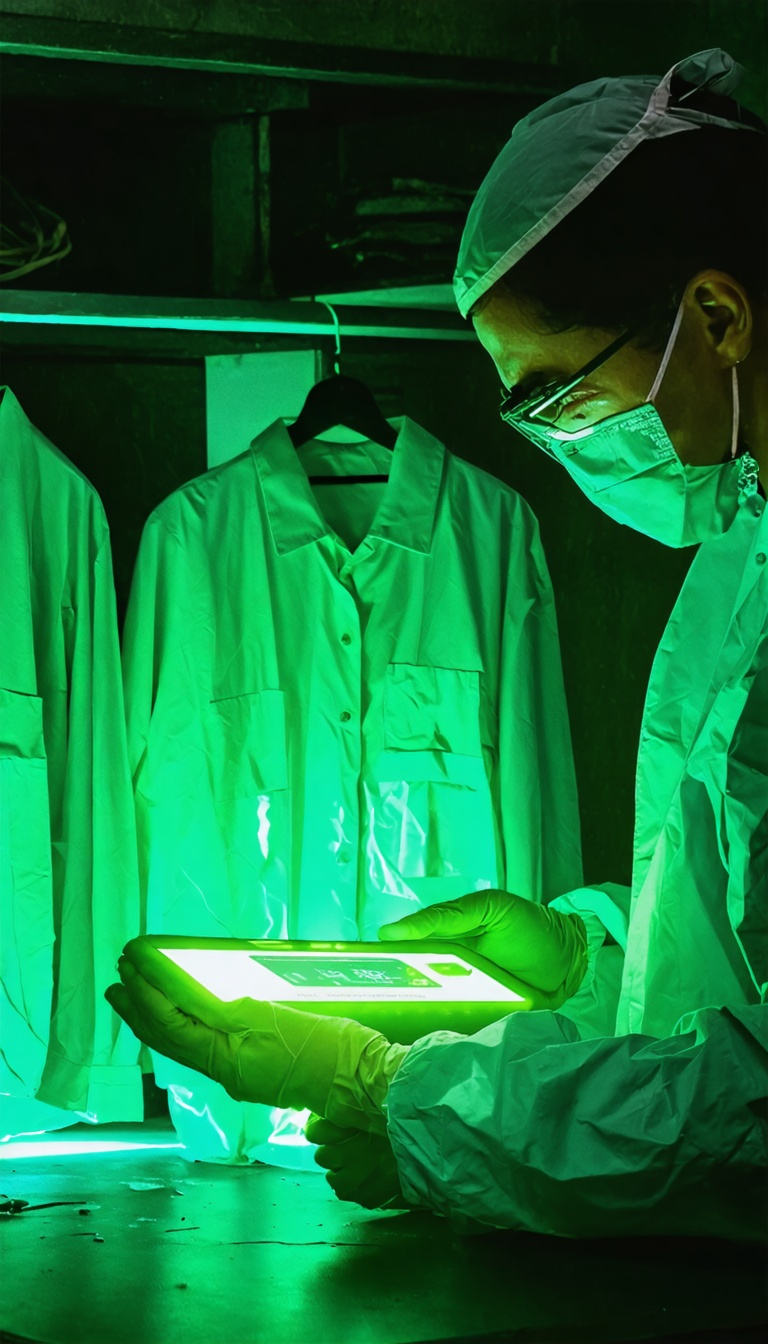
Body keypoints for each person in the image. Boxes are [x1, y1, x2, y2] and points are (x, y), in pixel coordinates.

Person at [106, 49, 767, 1240]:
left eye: (558, 395)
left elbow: (744, 1115)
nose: (558, 442)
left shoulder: (567, 542)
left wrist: (387, 1089)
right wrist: (579, 952)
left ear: (715, 317)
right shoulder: (742, 550)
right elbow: (728, 974)